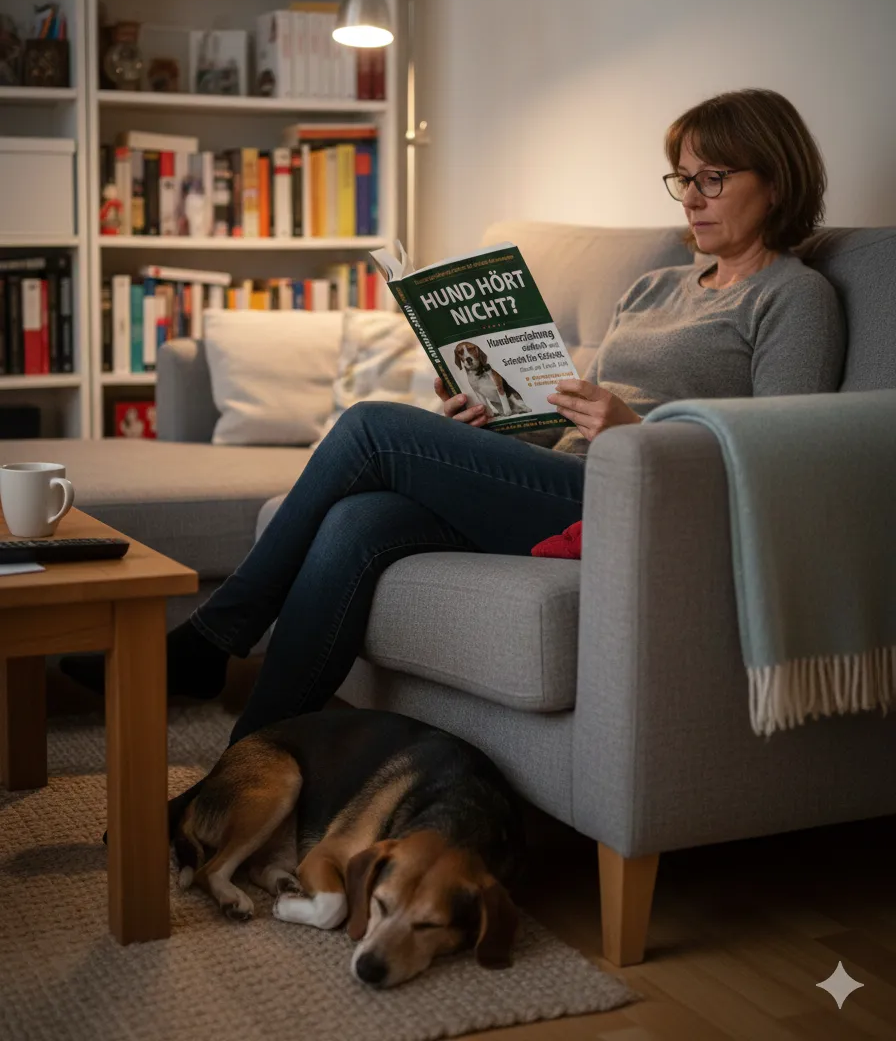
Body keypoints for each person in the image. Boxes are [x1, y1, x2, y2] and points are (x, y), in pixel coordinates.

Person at [61, 88, 846, 743]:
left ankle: (210, 640)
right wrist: (500, 413)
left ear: (774, 181)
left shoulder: (792, 297)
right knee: (359, 521)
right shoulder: (658, 288)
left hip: (637, 503)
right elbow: (575, 417)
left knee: (372, 426)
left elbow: (777, 457)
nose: (694, 198)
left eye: (714, 178)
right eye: (682, 179)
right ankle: (248, 771)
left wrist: (637, 432)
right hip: (564, 476)